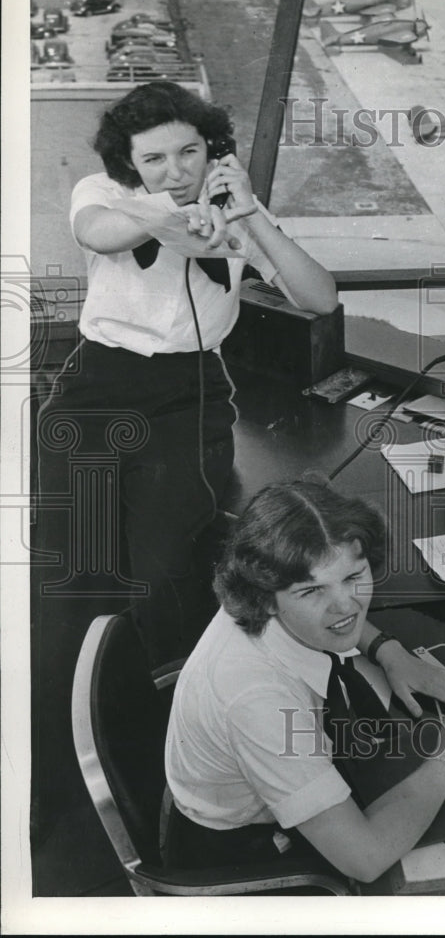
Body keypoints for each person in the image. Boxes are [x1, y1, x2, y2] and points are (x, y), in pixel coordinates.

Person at [35, 80, 338, 668]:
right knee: (76, 557)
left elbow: (320, 298)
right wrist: (171, 212)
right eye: (154, 158)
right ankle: (65, 704)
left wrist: (251, 218)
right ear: (130, 162)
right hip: (98, 385)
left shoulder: (238, 210)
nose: (175, 170)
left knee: (169, 566)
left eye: (189, 153)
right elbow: (98, 232)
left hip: (190, 392)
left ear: (212, 150)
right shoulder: (103, 191)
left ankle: (166, 701)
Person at [164, 481, 445, 884]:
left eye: (354, 575)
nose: (346, 604)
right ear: (265, 597)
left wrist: (389, 652)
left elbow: (340, 611)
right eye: (312, 590)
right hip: (243, 851)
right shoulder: (257, 700)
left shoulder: (268, 592)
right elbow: (365, 859)